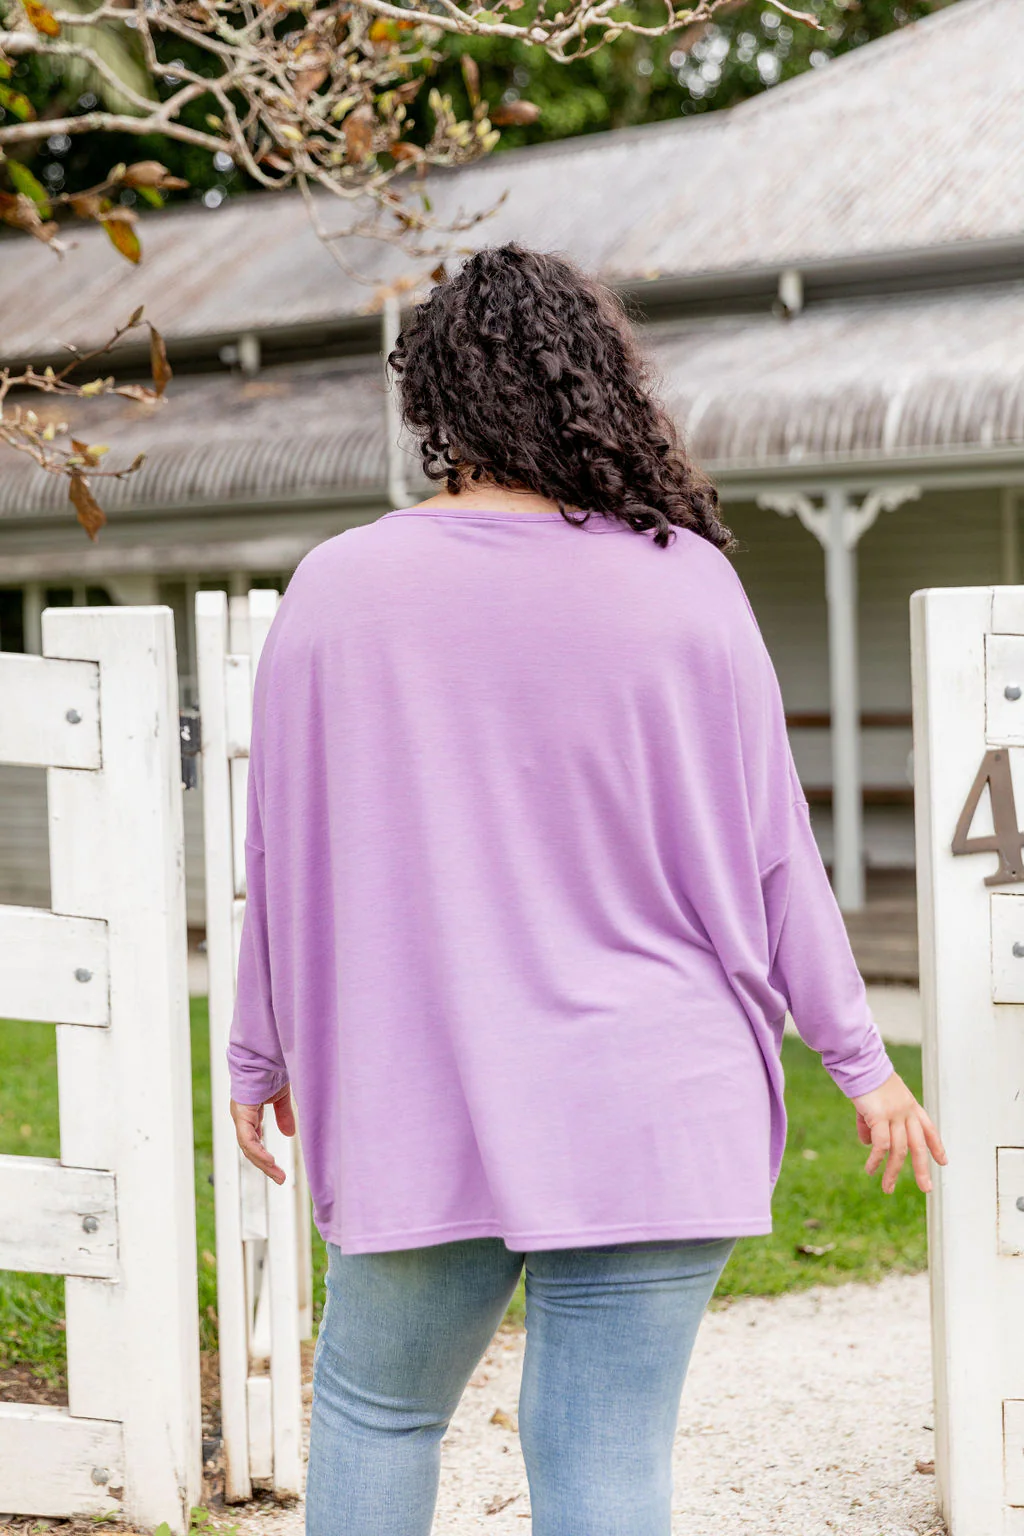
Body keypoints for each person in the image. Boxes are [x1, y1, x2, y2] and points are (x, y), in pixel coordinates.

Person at [227, 242, 947, 1536]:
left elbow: (282, 848)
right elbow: (776, 848)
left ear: (435, 397)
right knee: (605, 1474)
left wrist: (256, 1051)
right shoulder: (691, 584)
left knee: (380, 1415)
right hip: (659, 1099)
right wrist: (861, 1063)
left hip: (423, 1090)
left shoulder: (337, 589)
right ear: (599, 383)